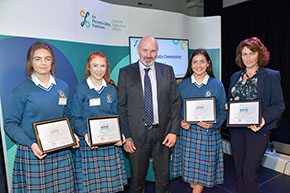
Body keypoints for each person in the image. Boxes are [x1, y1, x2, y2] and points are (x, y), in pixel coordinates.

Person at [4, 41, 79, 192]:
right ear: (31, 62)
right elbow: (10, 124)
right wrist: (30, 144)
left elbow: (66, 114)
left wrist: (72, 134)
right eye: (37, 58)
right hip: (35, 152)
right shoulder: (22, 90)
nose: (43, 63)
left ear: (52, 62)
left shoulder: (62, 86)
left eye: (47, 58)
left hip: (61, 150)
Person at [117, 36, 180, 193]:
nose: (148, 54)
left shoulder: (167, 71)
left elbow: (175, 103)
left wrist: (173, 132)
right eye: (145, 50)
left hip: (163, 134)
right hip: (136, 136)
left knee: (163, 179)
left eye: (153, 50)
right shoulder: (125, 73)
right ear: (138, 50)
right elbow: (121, 107)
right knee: (137, 181)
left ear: (157, 52)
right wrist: (126, 136)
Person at [228, 37, 285, 193]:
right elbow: (233, 100)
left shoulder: (271, 75)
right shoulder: (235, 77)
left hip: (258, 130)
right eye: (244, 54)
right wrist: (229, 105)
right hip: (237, 130)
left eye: (251, 53)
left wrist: (263, 120)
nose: (247, 58)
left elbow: (279, 104)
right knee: (239, 172)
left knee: (249, 171)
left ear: (259, 54)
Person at [70, 51, 128, 193]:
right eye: (95, 65)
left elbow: (116, 115)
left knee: (111, 187)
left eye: (102, 66)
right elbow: (75, 118)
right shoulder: (80, 89)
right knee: (92, 189)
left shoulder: (111, 90)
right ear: (88, 67)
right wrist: (85, 134)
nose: (99, 69)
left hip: (110, 144)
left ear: (106, 68)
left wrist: (120, 134)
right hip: (90, 144)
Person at [171, 49, 227, 193]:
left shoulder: (217, 85)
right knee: (191, 177)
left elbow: (222, 110)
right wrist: (181, 121)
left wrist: (213, 124)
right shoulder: (182, 85)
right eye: (195, 62)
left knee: (200, 179)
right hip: (187, 135)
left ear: (208, 63)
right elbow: (176, 109)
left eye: (202, 61)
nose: (198, 65)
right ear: (190, 65)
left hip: (208, 135)